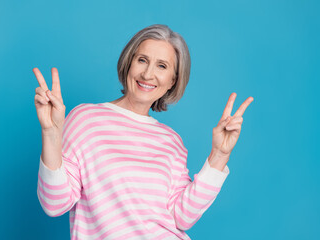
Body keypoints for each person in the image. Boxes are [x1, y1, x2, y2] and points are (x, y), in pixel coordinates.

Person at [34, 24, 254, 240]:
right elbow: (54, 204)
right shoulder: (86, 119)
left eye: (162, 66)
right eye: (142, 60)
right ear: (129, 63)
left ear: (172, 81)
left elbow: (182, 217)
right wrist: (51, 134)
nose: (148, 74)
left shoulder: (172, 142)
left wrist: (219, 156)